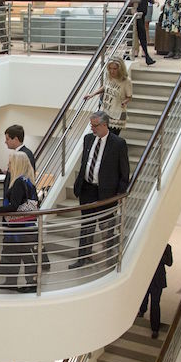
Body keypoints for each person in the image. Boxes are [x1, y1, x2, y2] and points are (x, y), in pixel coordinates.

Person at [70, 111, 129, 269]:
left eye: (95, 125)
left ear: (104, 125)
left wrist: (119, 196)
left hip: (106, 193)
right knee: (86, 226)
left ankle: (110, 259)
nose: (92, 128)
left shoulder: (118, 143)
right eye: (91, 125)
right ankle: (83, 258)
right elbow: (85, 163)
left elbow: (124, 173)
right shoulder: (88, 139)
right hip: (87, 190)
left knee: (107, 227)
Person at [0, 151, 39, 293]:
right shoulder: (26, 179)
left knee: (23, 254)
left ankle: (30, 284)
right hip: (23, 226)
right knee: (13, 253)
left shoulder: (19, 182)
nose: (8, 165)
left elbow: (13, 206)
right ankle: (12, 281)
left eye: (10, 163)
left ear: (17, 164)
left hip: (20, 228)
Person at [84, 58, 133, 136]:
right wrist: (92, 94)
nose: (112, 71)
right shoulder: (109, 76)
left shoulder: (126, 81)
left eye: (115, 69)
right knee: (101, 136)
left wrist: (125, 102)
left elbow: (129, 96)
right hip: (105, 111)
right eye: (110, 68)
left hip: (117, 114)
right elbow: (105, 87)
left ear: (120, 69)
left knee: (112, 139)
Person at [124, 0, 158, 66]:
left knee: (142, 34)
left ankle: (147, 56)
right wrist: (131, 9)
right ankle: (128, 53)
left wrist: (153, 0)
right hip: (133, 13)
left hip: (142, 13)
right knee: (132, 34)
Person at [138, 243, 173, 338]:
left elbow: (169, 263)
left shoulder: (167, 247)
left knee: (155, 304)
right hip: (146, 277)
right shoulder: (147, 243)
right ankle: (142, 310)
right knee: (143, 297)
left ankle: (155, 328)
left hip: (158, 280)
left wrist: (158, 255)